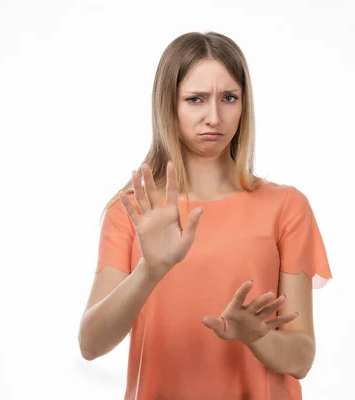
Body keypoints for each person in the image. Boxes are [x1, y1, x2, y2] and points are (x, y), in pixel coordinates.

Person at [78, 31, 333, 400]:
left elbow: (302, 358)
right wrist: (149, 271)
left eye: (229, 98)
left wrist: (256, 335)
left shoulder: (286, 206)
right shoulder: (134, 211)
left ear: (244, 105)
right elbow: (91, 343)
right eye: (195, 99)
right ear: (169, 105)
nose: (214, 116)